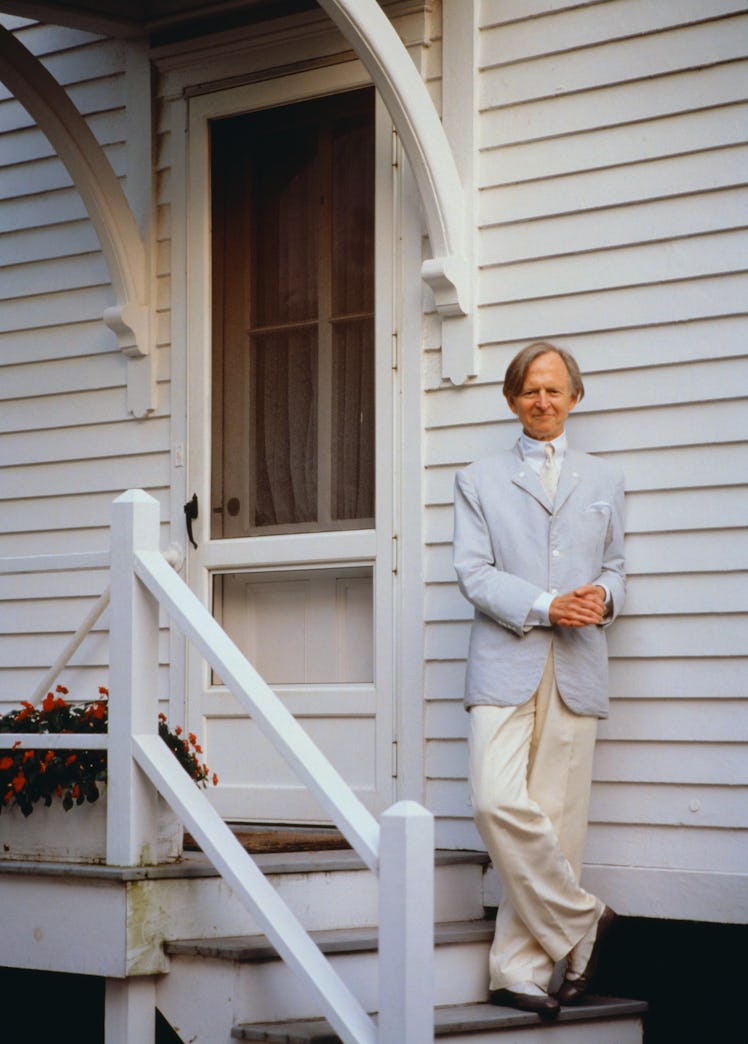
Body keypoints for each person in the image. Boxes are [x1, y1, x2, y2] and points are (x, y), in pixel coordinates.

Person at [452, 342, 626, 1020]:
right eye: (530, 391)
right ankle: (586, 923)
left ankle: (519, 972)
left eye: (554, 390)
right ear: (511, 399)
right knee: (496, 802)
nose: (543, 401)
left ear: (573, 398)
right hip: (505, 659)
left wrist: (601, 600)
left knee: (556, 823)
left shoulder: (605, 479)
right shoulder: (478, 478)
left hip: (579, 663)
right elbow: (473, 572)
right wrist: (544, 605)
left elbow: (616, 569)